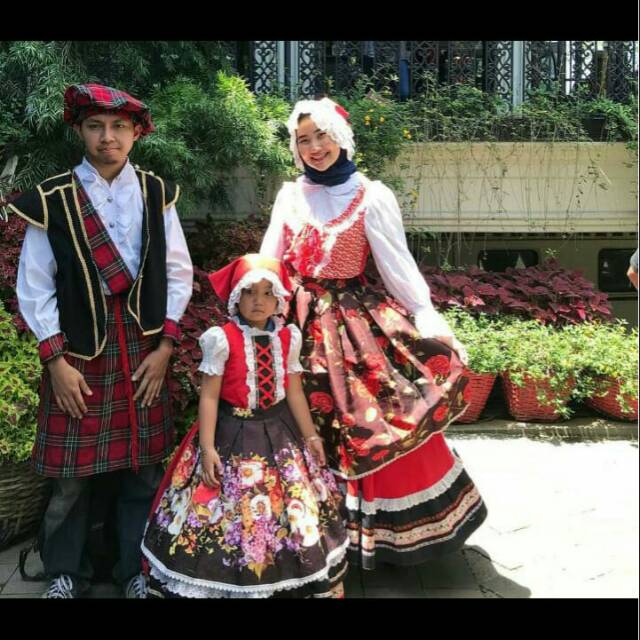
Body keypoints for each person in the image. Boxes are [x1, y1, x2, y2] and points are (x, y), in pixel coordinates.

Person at [260, 97, 487, 569]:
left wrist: (426, 316)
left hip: (350, 324)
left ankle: (375, 536)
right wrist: (258, 316)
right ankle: (304, 536)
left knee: (371, 417)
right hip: (294, 323)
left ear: (341, 137)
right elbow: (271, 261)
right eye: (304, 140)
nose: (314, 147)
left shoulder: (370, 196)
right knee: (291, 418)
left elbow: (396, 265)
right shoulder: (290, 195)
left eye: (322, 136)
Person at [8, 83, 193, 598]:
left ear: (136, 134)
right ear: (80, 131)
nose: (107, 137)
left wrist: (165, 348)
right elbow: (35, 285)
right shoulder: (52, 199)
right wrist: (55, 362)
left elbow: (178, 273)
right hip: (79, 354)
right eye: (95, 127)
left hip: (143, 351)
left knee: (142, 470)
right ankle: (65, 572)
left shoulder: (157, 193)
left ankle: (136, 572)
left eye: (118, 127)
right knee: (70, 478)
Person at [141, 254, 349, 598]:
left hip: (279, 435)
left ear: (279, 298)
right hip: (231, 435)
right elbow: (210, 397)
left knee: (285, 509)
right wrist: (207, 447)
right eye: (250, 292)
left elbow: (295, 392)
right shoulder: (221, 339)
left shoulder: (288, 337)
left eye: (267, 293)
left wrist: (311, 435)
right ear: (236, 296)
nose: (258, 301)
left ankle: (282, 578)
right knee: (227, 511)